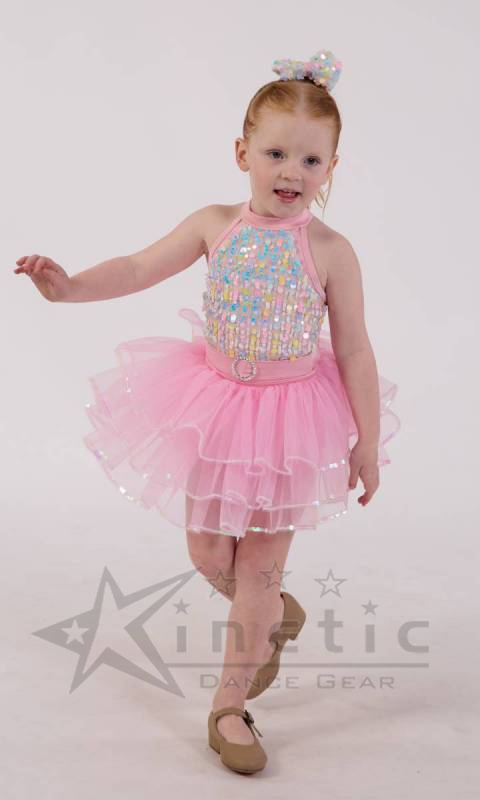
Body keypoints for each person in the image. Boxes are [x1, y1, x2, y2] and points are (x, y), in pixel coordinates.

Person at [14, 48, 400, 775]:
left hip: (289, 424)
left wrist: (366, 442)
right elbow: (137, 267)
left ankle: (229, 704)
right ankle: (274, 612)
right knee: (208, 555)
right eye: (276, 153)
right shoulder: (214, 224)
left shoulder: (331, 251)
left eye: (311, 161)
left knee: (256, 570)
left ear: (332, 168)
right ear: (242, 153)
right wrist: (68, 288)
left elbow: (354, 350)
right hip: (216, 413)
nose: (291, 172)